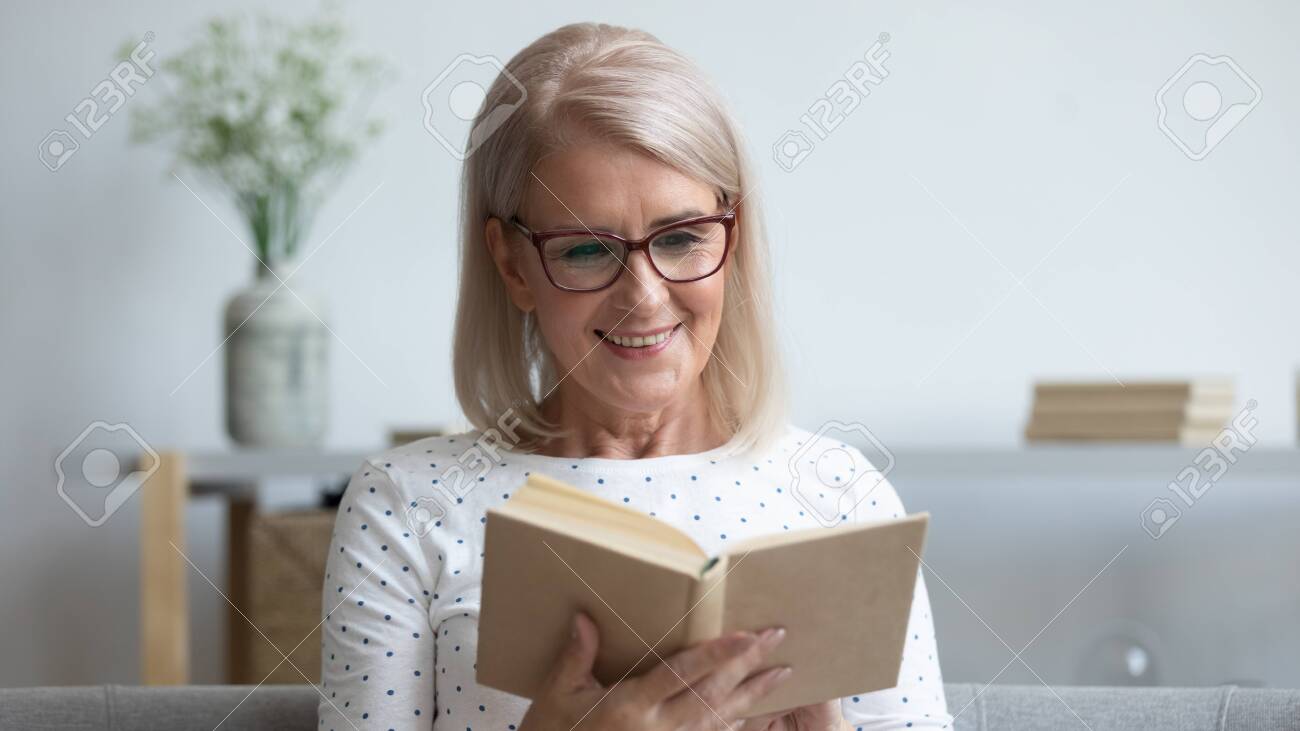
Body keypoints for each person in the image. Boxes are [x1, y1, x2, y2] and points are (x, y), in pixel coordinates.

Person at [318, 21, 951, 731]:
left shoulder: (840, 496)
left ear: (734, 236)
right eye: (587, 249)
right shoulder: (407, 505)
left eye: (681, 238)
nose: (644, 297)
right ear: (512, 264)